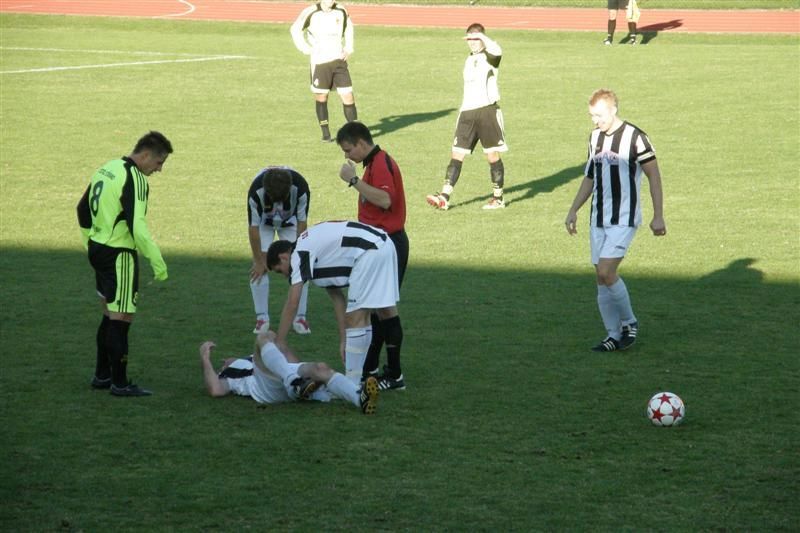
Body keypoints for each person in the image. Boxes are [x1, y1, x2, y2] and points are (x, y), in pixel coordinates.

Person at [565, 89, 666, 352]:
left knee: (606, 272)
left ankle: (629, 322)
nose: (595, 120)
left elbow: (654, 176)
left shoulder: (636, 138)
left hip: (624, 218)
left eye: (599, 115)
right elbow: (590, 177)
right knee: (600, 279)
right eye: (591, 115)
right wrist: (574, 209)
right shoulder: (594, 138)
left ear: (613, 110)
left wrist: (658, 215)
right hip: (597, 218)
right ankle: (612, 335)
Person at [76, 131, 173, 396]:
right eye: (159, 162)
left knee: (109, 315)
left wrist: (89, 242)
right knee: (121, 318)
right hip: (120, 255)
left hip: (98, 249)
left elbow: (82, 209)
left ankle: (102, 375)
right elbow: (137, 226)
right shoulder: (135, 178)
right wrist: (157, 261)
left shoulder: (107, 168)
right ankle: (120, 383)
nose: (159, 169)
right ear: (145, 155)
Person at [266, 221, 402, 389]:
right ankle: (365, 377)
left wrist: (280, 341)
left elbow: (292, 302)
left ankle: (352, 384)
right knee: (370, 315)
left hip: (371, 250)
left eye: (280, 270)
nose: (284, 275)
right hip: (383, 245)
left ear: (283, 257)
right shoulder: (315, 255)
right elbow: (338, 299)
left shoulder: (299, 254)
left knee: (356, 318)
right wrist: (343, 339)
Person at [336, 121, 408, 391]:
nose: (347, 155)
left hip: (387, 245)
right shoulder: (374, 164)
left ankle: (394, 375)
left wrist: (353, 181)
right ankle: (372, 369)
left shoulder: (381, 164)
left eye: (348, 150)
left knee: (384, 308)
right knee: (377, 308)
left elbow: (385, 200)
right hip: (379, 245)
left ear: (361, 143)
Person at [427, 22, 507, 211]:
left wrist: (483, 37)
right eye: (469, 39)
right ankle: (444, 196)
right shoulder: (469, 59)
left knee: (492, 155)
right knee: (457, 153)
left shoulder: (490, 57)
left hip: (487, 112)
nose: (471, 43)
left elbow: (498, 51)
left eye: (475, 39)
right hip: (467, 113)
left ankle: (498, 198)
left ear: (482, 39)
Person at [199, 331, 379, 414]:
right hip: (263, 388)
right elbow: (216, 390)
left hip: (284, 372)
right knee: (263, 336)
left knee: (320, 368)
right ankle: (296, 383)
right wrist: (205, 358)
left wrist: (283, 349)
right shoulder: (230, 374)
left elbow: (292, 361)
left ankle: (359, 398)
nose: (225, 361)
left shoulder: (256, 358)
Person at [247, 166, 312, 335]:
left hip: (290, 223)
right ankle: (262, 317)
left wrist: (298, 253)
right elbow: (253, 228)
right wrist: (259, 260)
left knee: (300, 267)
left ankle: (300, 317)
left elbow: (302, 223)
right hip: (264, 223)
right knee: (258, 268)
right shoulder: (255, 192)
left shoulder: (301, 188)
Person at [290, 0, 357, 142]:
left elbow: (349, 28)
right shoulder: (311, 12)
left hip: (339, 60)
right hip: (320, 62)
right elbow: (295, 29)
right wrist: (305, 48)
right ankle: (326, 134)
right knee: (322, 96)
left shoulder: (341, 10)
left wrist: (348, 47)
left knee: (348, 96)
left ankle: (355, 134)